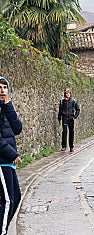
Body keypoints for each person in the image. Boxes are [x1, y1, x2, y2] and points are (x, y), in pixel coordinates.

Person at [0, 77, 22, 235]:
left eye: (5, 87)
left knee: (16, 198)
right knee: (8, 201)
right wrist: (12, 154)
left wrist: (8, 105)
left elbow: (17, 128)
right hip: (2, 162)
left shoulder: (5, 109)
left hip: (8, 163)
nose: (2, 90)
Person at [57, 88, 80, 152]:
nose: (68, 94)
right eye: (67, 93)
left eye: (69, 93)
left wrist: (75, 116)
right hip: (64, 118)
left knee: (71, 133)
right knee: (64, 132)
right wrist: (59, 118)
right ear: (65, 94)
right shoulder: (62, 101)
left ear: (70, 94)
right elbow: (60, 110)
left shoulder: (73, 101)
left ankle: (71, 147)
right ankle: (63, 146)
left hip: (71, 119)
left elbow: (78, 109)